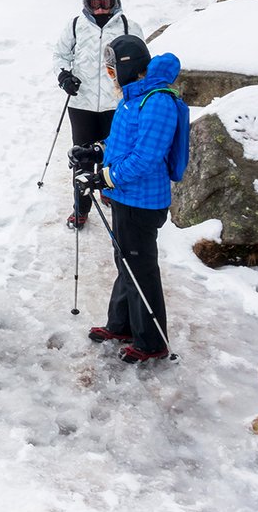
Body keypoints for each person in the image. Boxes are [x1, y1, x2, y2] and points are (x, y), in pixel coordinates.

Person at [72, 35, 185, 365]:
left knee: (141, 267)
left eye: (112, 71)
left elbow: (146, 158)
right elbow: (121, 142)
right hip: (125, 196)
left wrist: (103, 177)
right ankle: (122, 325)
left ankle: (152, 342)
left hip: (143, 201)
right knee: (127, 261)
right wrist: (96, 150)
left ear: (129, 68)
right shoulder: (132, 100)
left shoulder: (158, 102)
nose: (111, 77)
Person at [53, 0, 142, 229]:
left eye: (106, 1)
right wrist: (64, 75)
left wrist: (133, 88)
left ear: (115, 0)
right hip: (82, 103)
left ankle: (107, 190)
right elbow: (60, 54)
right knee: (82, 157)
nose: (100, 8)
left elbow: (142, 62)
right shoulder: (75, 26)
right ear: (86, 3)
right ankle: (80, 208)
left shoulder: (128, 26)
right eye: (95, 2)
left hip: (116, 105)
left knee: (112, 154)